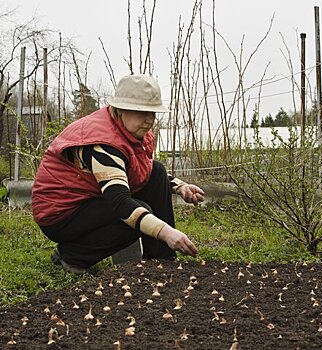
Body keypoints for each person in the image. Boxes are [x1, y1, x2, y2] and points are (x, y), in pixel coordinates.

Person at [32, 74, 205, 274]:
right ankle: (72, 255)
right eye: (142, 113)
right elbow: (121, 204)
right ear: (121, 109)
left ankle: (161, 259)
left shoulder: (131, 131)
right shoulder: (102, 143)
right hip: (61, 213)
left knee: (157, 170)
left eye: (153, 113)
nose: (150, 120)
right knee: (135, 214)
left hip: (90, 197)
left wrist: (179, 186)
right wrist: (165, 232)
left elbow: (142, 170)